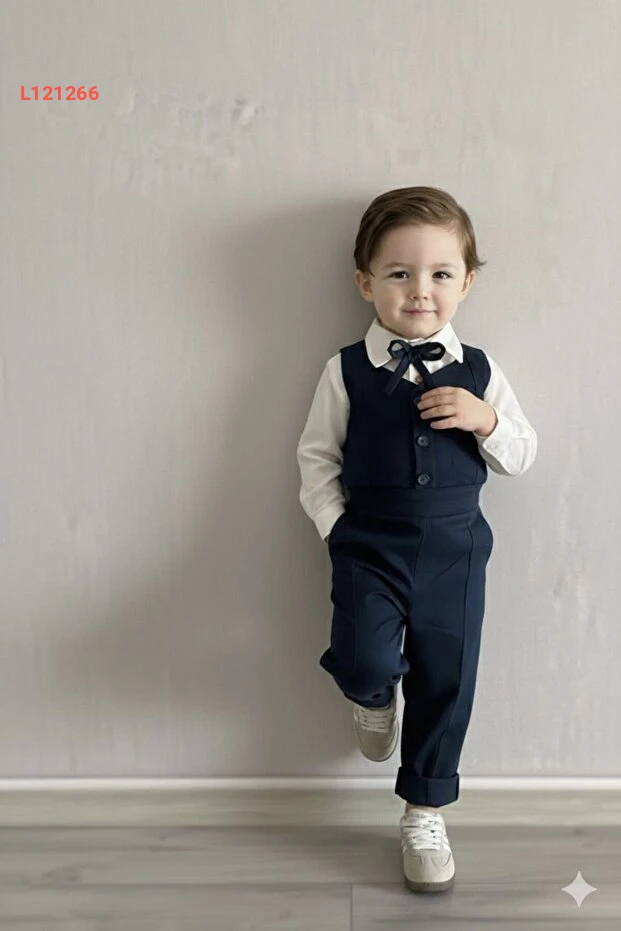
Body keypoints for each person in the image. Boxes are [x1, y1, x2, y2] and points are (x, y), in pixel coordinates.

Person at [296, 185, 537, 894]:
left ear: (466, 282)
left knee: (446, 680)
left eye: (439, 273)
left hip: (455, 553)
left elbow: (522, 453)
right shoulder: (345, 370)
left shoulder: (481, 372)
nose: (420, 290)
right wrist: (337, 530)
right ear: (365, 282)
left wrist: (484, 420)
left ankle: (424, 810)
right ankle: (372, 695)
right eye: (399, 273)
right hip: (368, 546)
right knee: (362, 654)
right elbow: (316, 458)